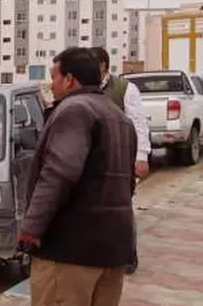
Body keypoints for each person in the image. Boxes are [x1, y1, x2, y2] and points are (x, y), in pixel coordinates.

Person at [20, 47, 137, 306]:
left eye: (54, 77)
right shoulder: (120, 118)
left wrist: (32, 226)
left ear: (70, 79)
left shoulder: (74, 110)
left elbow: (59, 173)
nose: (51, 85)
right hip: (112, 251)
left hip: (70, 253)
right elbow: (128, 184)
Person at [89, 47, 151, 274]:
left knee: (122, 208)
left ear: (104, 65)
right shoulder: (85, 88)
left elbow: (139, 123)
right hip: (94, 161)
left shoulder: (125, 89)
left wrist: (141, 156)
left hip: (120, 159)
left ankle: (128, 256)